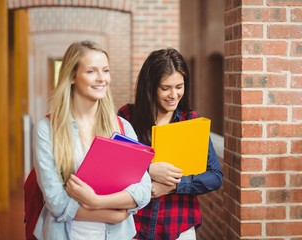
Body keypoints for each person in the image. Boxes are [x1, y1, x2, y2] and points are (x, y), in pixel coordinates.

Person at [33, 40, 151, 240]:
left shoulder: (122, 127)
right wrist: (114, 213)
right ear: (72, 76)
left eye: (105, 70)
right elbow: (56, 201)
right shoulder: (47, 130)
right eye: (91, 71)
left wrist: (95, 201)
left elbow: (142, 191)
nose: (101, 78)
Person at [118, 48, 223, 240]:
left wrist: (175, 186)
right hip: (134, 225)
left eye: (179, 86)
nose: (174, 95)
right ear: (150, 88)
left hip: (178, 226)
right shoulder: (127, 117)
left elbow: (215, 176)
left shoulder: (191, 121)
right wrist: (149, 171)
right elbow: (114, 167)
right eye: (165, 88)